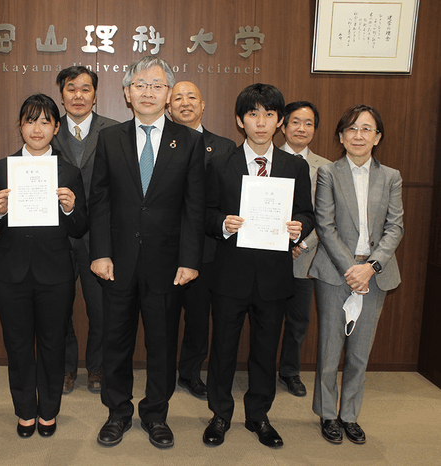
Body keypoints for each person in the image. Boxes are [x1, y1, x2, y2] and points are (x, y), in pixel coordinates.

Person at [89, 56, 205, 449]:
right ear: (126, 93)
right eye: (140, 85)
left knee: (162, 343)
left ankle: (156, 414)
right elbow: (99, 200)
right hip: (117, 262)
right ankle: (117, 413)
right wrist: (100, 252)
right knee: (115, 341)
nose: (148, 92)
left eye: (157, 85)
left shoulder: (189, 141)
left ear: (169, 94)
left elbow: (194, 206)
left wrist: (190, 260)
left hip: (168, 265)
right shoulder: (110, 138)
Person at [203, 83, 314, 448]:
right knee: (223, 348)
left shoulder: (295, 166)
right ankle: (220, 414)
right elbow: (205, 214)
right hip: (230, 274)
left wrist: (299, 229)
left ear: (279, 121)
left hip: (274, 276)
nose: (261, 122)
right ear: (240, 120)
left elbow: (306, 214)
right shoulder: (220, 164)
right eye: (253, 114)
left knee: (265, 351)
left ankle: (258, 416)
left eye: (269, 114)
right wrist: (222, 223)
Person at [0, 94, 87, 438]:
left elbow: (81, 227)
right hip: (11, 274)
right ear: (20, 126)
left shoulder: (69, 171)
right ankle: (25, 410)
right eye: (29, 120)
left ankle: (49, 410)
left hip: (55, 274)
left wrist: (70, 208)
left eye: (44, 121)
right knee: (18, 345)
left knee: (53, 344)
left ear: (57, 127)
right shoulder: (1, 168)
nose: (36, 128)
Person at [309, 105, 403, 445]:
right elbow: (325, 224)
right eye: (351, 129)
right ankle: (328, 414)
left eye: (367, 129)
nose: (358, 135)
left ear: (377, 137)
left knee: (360, 351)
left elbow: (395, 228)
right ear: (340, 136)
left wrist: (370, 267)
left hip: (375, 273)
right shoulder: (329, 174)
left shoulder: (391, 176)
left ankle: (349, 414)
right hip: (337, 271)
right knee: (330, 349)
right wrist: (352, 268)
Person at [51, 66, 119, 394]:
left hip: (100, 237)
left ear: (95, 94)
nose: (78, 95)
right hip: (57, 235)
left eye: (85, 89)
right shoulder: (46, 129)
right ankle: (65, 368)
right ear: (61, 94)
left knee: (101, 308)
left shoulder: (115, 131)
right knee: (59, 307)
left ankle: (98, 367)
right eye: (71, 89)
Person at [167, 81, 236, 399]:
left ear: (203, 104)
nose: (184, 102)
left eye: (191, 96)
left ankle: (190, 372)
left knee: (198, 317)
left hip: (208, 248)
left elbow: (230, 200)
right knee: (163, 316)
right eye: (177, 97)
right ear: (168, 107)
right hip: (164, 246)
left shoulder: (224, 147)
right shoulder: (158, 142)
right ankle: (163, 373)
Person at [278, 101, 331, 397]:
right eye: (295, 122)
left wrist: (302, 244)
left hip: (305, 257)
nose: (301, 128)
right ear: (283, 126)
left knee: (298, 320)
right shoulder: (266, 159)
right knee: (262, 317)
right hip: (267, 256)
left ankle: (290, 371)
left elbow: (327, 217)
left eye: (308, 123)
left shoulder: (326, 168)